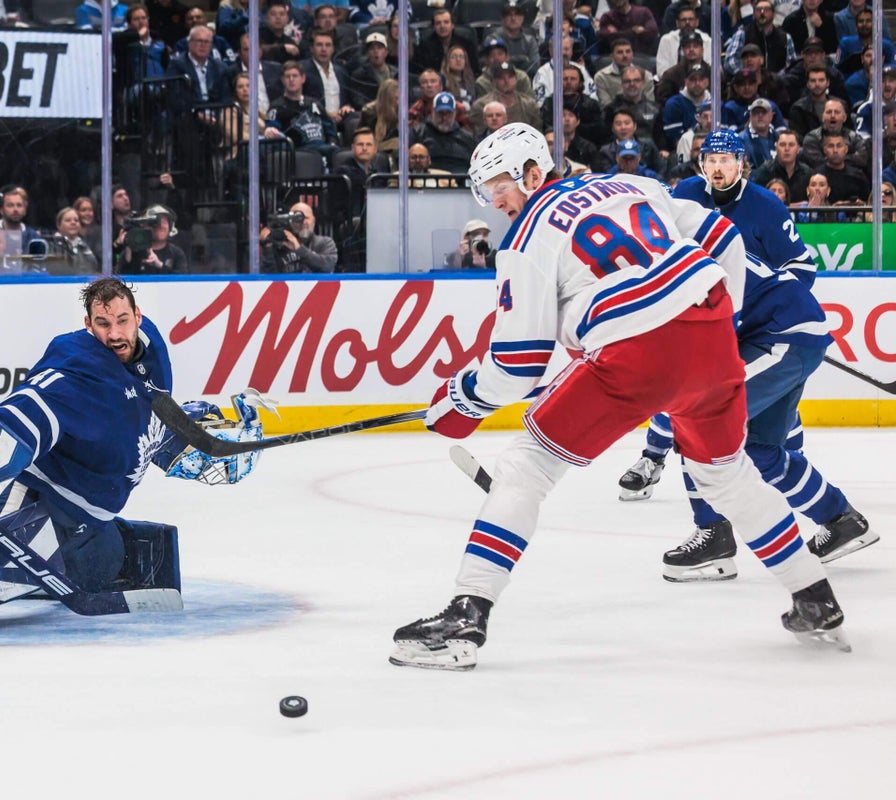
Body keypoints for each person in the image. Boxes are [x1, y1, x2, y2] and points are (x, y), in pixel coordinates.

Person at [389, 123, 851, 671]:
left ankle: (467, 614)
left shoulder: (526, 236)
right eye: (487, 191)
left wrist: (461, 401)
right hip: (709, 335)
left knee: (525, 468)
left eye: (499, 186)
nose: (496, 201)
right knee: (726, 475)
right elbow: (723, 237)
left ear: (534, 173)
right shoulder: (632, 184)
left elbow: (517, 366)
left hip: (635, 356)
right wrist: (719, 318)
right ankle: (813, 595)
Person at [0, 277, 270, 642]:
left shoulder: (152, 353)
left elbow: (143, 420)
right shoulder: (78, 367)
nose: (114, 334)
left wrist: (193, 440)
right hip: (38, 499)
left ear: (137, 316)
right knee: (50, 558)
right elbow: (18, 417)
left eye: (121, 321)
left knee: (103, 562)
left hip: (85, 516)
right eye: (102, 323)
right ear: (88, 323)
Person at [617, 131, 874, 579]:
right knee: (759, 448)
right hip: (791, 335)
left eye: (725, 159)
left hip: (781, 336)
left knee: (693, 421)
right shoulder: (687, 222)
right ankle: (841, 520)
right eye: (709, 159)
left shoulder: (682, 249)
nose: (717, 168)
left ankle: (713, 535)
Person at [260, 201, 337, 273]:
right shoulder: (281, 245)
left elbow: (327, 267)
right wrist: (268, 247)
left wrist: (299, 249)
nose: (303, 222)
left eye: (306, 218)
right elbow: (269, 276)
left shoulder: (325, 243)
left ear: (313, 220)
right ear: (290, 222)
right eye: (297, 219)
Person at [119, 204, 188, 274]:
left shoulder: (176, 254)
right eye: (155, 222)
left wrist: (160, 265)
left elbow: (182, 280)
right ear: (145, 226)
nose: (160, 226)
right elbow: (121, 277)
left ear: (170, 227)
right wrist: (128, 250)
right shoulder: (135, 251)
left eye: (164, 222)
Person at [48, 205, 99, 275]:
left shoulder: (84, 244)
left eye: (76, 220)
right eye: (68, 220)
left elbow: (93, 266)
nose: (73, 223)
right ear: (58, 225)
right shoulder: (51, 245)